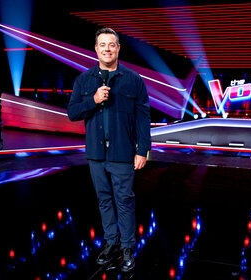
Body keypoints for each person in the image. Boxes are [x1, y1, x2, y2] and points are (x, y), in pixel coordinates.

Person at [67, 27, 151, 272]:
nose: (106, 48)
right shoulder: (84, 80)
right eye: (102, 44)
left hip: (123, 153)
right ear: (96, 49)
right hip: (95, 154)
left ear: (118, 49)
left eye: (111, 44)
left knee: (124, 200)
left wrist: (142, 149)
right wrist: (92, 100)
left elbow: (143, 117)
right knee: (104, 200)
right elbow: (72, 113)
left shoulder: (133, 80)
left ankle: (127, 248)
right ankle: (111, 243)